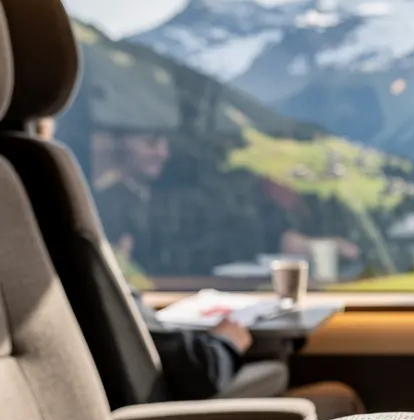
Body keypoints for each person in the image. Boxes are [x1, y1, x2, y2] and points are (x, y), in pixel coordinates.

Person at [35, 117, 257, 399]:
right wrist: (224, 344)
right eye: (150, 142)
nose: (162, 152)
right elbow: (196, 371)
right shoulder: (62, 226)